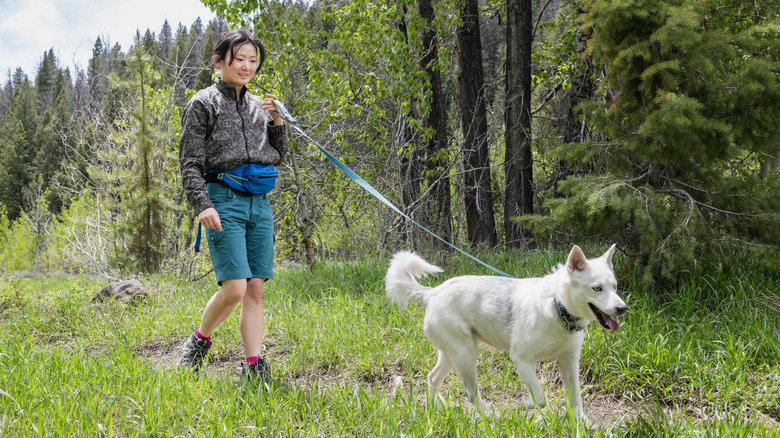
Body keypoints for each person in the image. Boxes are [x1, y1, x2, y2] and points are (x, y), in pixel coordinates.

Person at [178, 29, 288, 381]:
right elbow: (189, 162)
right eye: (238, 59)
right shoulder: (203, 103)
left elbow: (276, 156)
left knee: (255, 287)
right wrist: (202, 205)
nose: (246, 66)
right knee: (235, 288)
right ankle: (198, 341)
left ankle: (254, 365)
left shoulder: (259, 106)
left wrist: (278, 123)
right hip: (223, 199)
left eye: (253, 60)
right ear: (220, 60)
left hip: (259, 202)